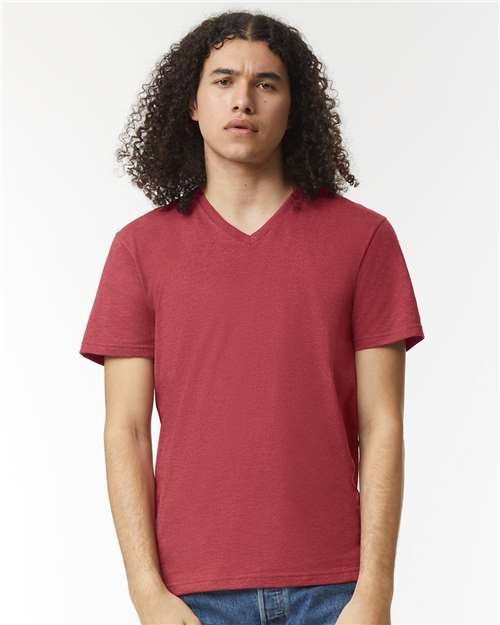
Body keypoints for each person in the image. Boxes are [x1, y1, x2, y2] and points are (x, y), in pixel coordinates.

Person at [79, 10, 425, 625]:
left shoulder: (364, 239)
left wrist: (374, 592)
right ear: (192, 103)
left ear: (294, 107)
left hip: (334, 590)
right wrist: (147, 593)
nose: (244, 99)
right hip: (191, 595)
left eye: (266, 83)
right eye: (223, 81)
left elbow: (383, 425)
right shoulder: (139, 249)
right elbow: (125, 431)